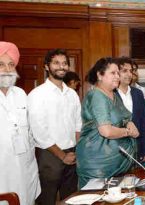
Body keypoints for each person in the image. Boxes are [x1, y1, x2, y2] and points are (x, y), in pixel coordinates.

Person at [28, 49, 81, 204]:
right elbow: (39, 131)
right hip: (49, 155)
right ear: (46, 67)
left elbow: (78, 124)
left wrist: (74, 151)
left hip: (72, 154)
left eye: (64, 63)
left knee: (71, 199)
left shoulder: (72, 94)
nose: (61, 67)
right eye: (56, 63)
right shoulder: (37, 94)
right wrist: (62, 155)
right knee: (47, 200)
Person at [76, 57, 139, 188]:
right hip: (98, 166)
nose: (117, 76)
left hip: (116, 164)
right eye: (113, 73)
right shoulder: (97, 96)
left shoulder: (114, 95)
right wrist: (128, 132)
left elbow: (125, 117)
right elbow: (106, 131)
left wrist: (129, 124)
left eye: (118, 73)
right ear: (100, 75)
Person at [0, 41, 41, 205]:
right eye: (1, 64)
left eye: (11, 64)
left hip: (25, 167)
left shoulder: (21, 94)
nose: (7, 70)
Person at [116, 57, 145, 162]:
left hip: (137, 147)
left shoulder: (138, 93)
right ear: (116, 73)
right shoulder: (111, 94)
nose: (129, 74)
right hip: (117, 149)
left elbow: (144, 122)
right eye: (124, 71)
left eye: (131, 71)